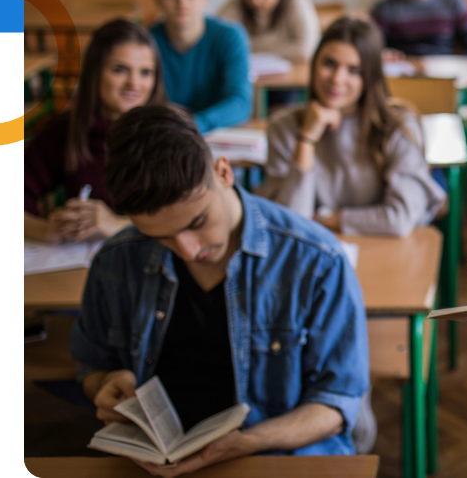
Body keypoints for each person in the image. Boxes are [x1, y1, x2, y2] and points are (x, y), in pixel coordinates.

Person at [70, 104, 369, 474]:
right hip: (156, 462)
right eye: (160, 237)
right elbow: (93, 365)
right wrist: (108, 383)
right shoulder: (117, 260)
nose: (189, 250)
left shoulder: (316, 259)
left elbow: (337, 402)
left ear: (223, 172)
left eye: (198, 222)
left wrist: (250, 442)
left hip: (275, 456)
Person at [262, 16, 446, 237]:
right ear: (314, 64)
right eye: (329, 64)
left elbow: (398, 219)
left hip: (385, 249)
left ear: (370, 77)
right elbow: (290, 222)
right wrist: (307, 139)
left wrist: (324, 218)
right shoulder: (283, 127)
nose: (337, 79)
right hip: (317, 251)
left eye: (354, 70)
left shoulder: (397, 126)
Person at [24, 18, 166, 243]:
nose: (134, 84)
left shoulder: (170, 133)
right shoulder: (69, 130)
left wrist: (118, 225)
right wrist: (44, 229)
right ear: (95, 72)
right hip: (81, 264)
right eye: (120, 70)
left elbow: (192, 214)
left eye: (146, 72)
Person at [149, 0, 252, 133]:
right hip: (163, 134)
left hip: (214, 133)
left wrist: (196, 124)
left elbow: (241, 103)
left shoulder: (229, 37)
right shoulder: (146, 42)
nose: (182, 2)